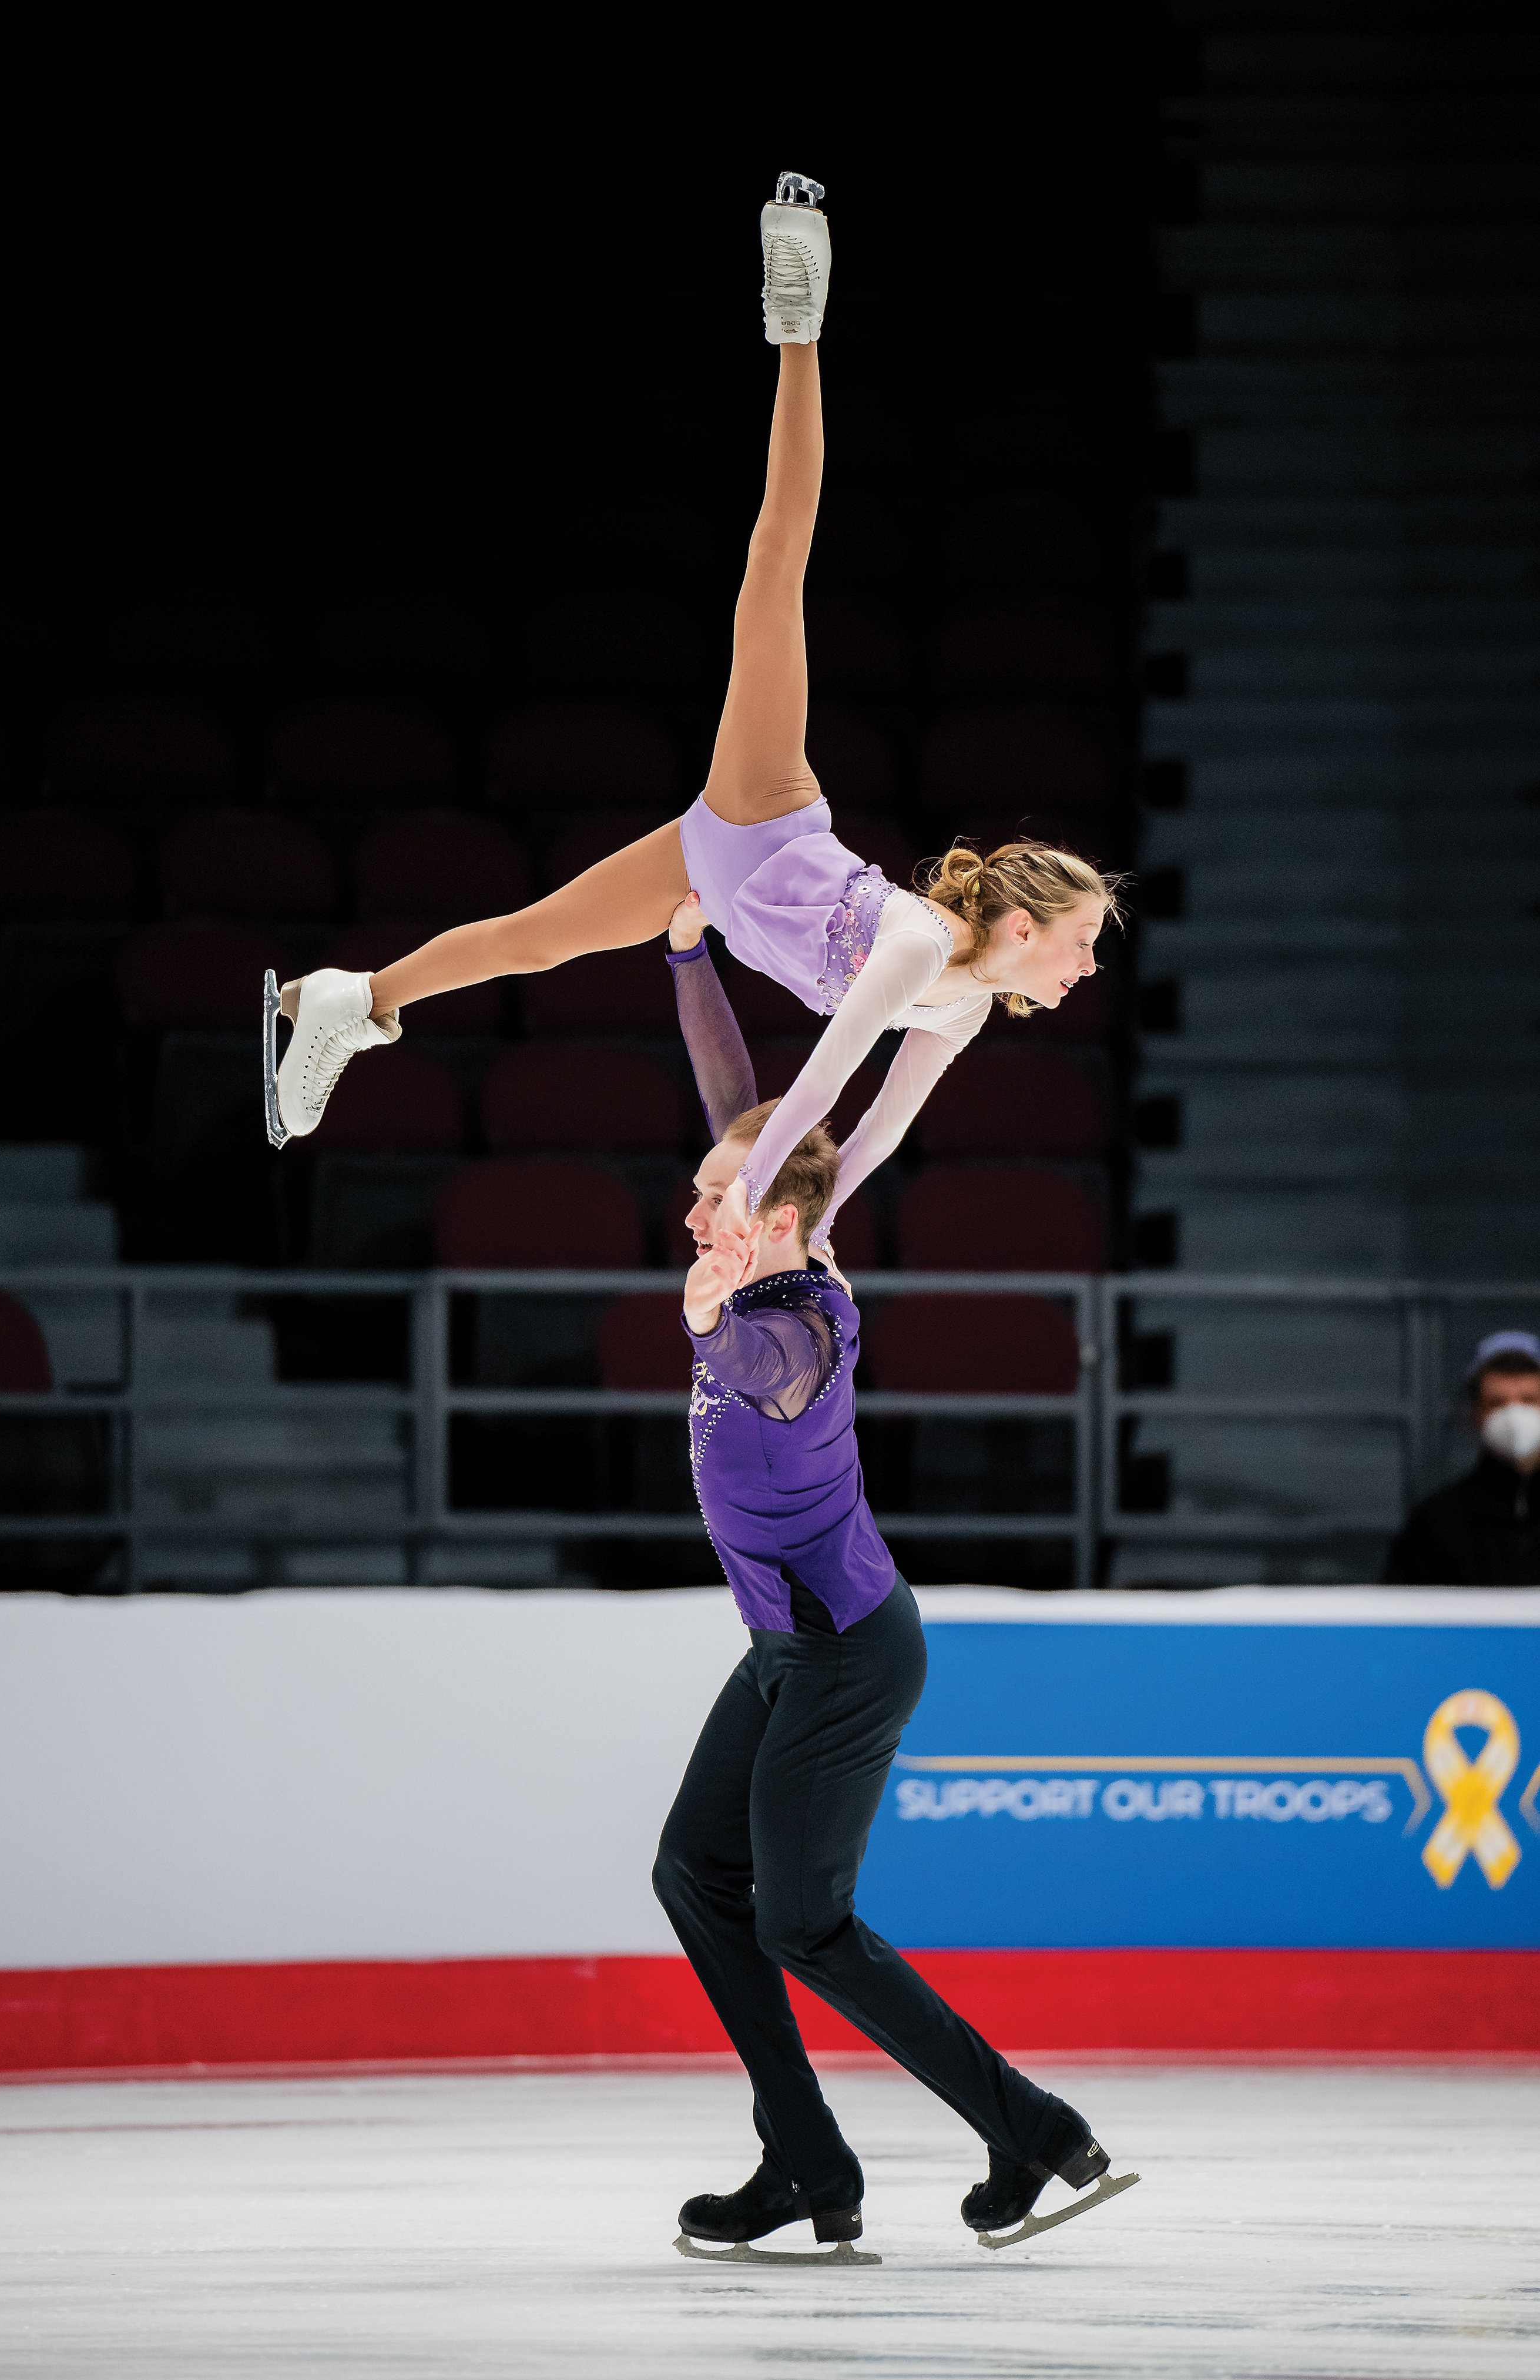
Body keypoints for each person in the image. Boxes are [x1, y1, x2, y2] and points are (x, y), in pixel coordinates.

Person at [265, 168, 1122, 1254]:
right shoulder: (914, 947)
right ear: (1020, 925)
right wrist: (747, 1203)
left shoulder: (956, 1009)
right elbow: (821, 1083)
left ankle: (350, 1000)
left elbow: (876, 1138)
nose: (1087, 970)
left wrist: (810, 1231)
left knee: (532, 946)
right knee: (777, 564)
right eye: (1083, 943)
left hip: (706, 883)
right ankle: (798, 321)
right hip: (762, 821)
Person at [653, 893, 1126, 2260]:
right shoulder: (779, 1233)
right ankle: (803, 2158)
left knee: (803, 1920)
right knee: (695, 1868)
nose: (694, 1212)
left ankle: (1032, 2128)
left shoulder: (792, 1322)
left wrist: (701, 1335)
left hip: (850, 1649)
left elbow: (762, 1375)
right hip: (793, 1646)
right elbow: (745, 1095)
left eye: (715, 1201)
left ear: (782, 1216)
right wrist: (688, 953)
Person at [1383, 1332, 1540, 1585]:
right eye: (1497, 1403)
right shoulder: (1438, 1521)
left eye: (1530, 1400)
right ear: (1474, 1414)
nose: (1514, 1416)